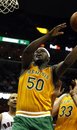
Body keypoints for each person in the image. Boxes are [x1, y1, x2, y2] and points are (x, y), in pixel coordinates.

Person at [12, 23, 77, 130]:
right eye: (36, 52)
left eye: (42, 51)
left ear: (48, 58)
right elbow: (28, 51)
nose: (38, 52)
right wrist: (48, 36)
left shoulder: (52, 71)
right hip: (22, 118)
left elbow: (67, 63)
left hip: (42, 118)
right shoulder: (26, 67)